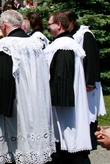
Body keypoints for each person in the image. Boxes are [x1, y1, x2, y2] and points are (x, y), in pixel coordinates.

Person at [0, 10, 55, 164]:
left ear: (4, 25)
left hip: (16, 106)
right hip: (37, 102)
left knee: (16, 148)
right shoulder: (35, 43)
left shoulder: (5, 45)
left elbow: (0, 80)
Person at [45, 11, 92, 162]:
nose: (48, 28)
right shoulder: (65, 44)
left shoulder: (64, 46)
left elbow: (62, 79)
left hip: (65, 110)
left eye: (50, 24)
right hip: (66, 107)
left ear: (58, 25)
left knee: (69, 146)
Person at [63, 9, 106, 149]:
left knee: (88, 112)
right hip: (76, 82)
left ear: (72, 21)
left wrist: (90, 82)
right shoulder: (69, 35)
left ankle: (91, 140)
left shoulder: (85, 34)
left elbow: (92, 59)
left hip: (87, 83)